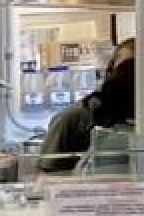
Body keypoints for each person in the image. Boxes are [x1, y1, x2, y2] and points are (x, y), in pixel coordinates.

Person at [38, 37, 134, 173]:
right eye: (126, 68)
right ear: (110, 71)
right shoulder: (74, 119)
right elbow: (48, 176)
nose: (134, 76)